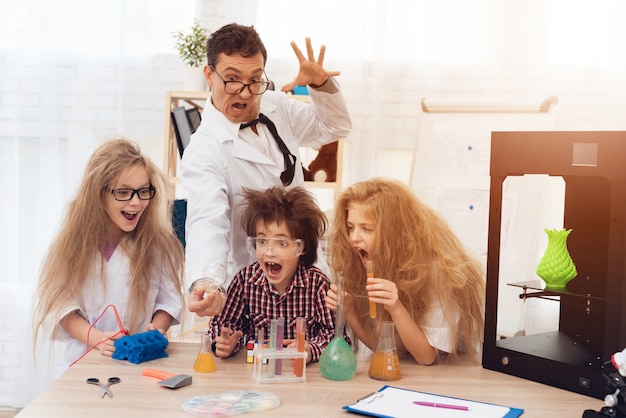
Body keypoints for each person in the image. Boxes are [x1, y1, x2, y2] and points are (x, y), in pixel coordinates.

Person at [181, 23, 352, 318]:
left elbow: (335, 127)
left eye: (255, 80)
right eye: (232, 80)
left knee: (313, 353)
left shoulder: (274, 105)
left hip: (309, 276)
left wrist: (321, 85)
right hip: (256, 288)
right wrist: (208, 281)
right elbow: (207, 221)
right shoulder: (204, 150)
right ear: (209, 75)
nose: (245, 93)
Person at [32, 138, 185, 369]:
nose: (136, 202)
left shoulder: (159, 246)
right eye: (123, 192)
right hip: (84, 361)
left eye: (143, 191)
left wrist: (157, 329)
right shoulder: (73, 245)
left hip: (139, 363)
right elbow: (59, 306)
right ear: (98, 194)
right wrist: (95, 338)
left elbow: (168, 302)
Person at [325, 178, 485, 365]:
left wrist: (396, 308)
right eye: (350, 227)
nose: (354, 238)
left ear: (395, 232)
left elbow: (426, 356)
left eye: (367, 229)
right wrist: (349, 311)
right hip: (408, 372)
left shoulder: (438, 270)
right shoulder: (367, 265)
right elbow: (386, 347)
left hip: (448, 373)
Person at [210, 186, 338, 364]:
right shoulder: (245, 280)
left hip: (302, 378)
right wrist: (224, 342)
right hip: (258, 375)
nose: (269, 252)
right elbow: (224, 324)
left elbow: (336, 337)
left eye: (282, 243)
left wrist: (310, 349)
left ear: (303, 247)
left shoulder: (318, 284)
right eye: (262, 241)